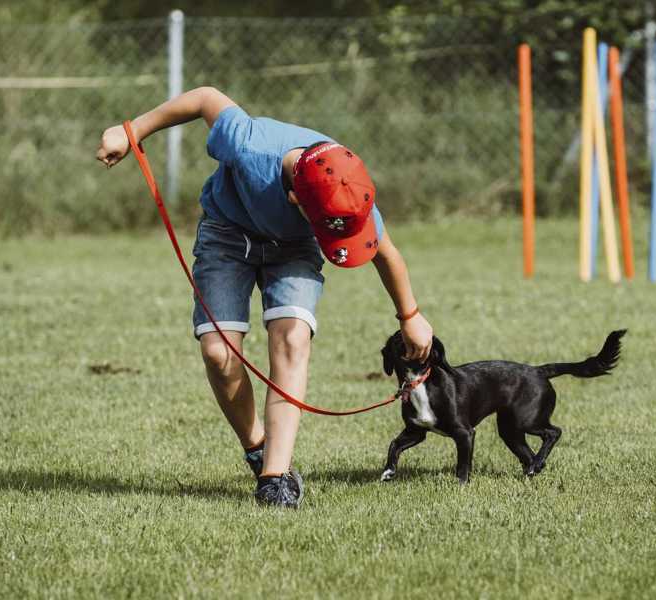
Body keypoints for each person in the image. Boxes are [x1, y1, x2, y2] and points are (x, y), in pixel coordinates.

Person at [96, 86, 433, 508]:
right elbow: (204, 98)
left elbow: (386, 253)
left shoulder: (346, 188)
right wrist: (132, 131)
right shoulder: (250, 145)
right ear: (294, 198)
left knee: (292, 338)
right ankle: (258, 446)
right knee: (219, 354)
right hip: (227, 232)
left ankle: (276, 478)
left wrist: (411, 315)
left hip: (294, 248)